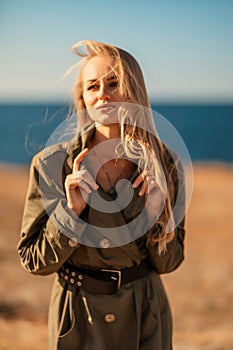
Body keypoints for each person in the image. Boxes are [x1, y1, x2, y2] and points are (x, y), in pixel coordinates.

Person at [18, 40, 186, 350]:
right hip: (77, 316)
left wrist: (156, 213)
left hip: (145, 315)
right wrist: (70, 214)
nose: (103, 94)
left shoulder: (166, 163)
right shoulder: (51, 164)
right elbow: (34, 261)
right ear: (82, 98)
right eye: (92, 86)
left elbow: (170, 262)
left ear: (134, 90)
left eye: (114, 82)